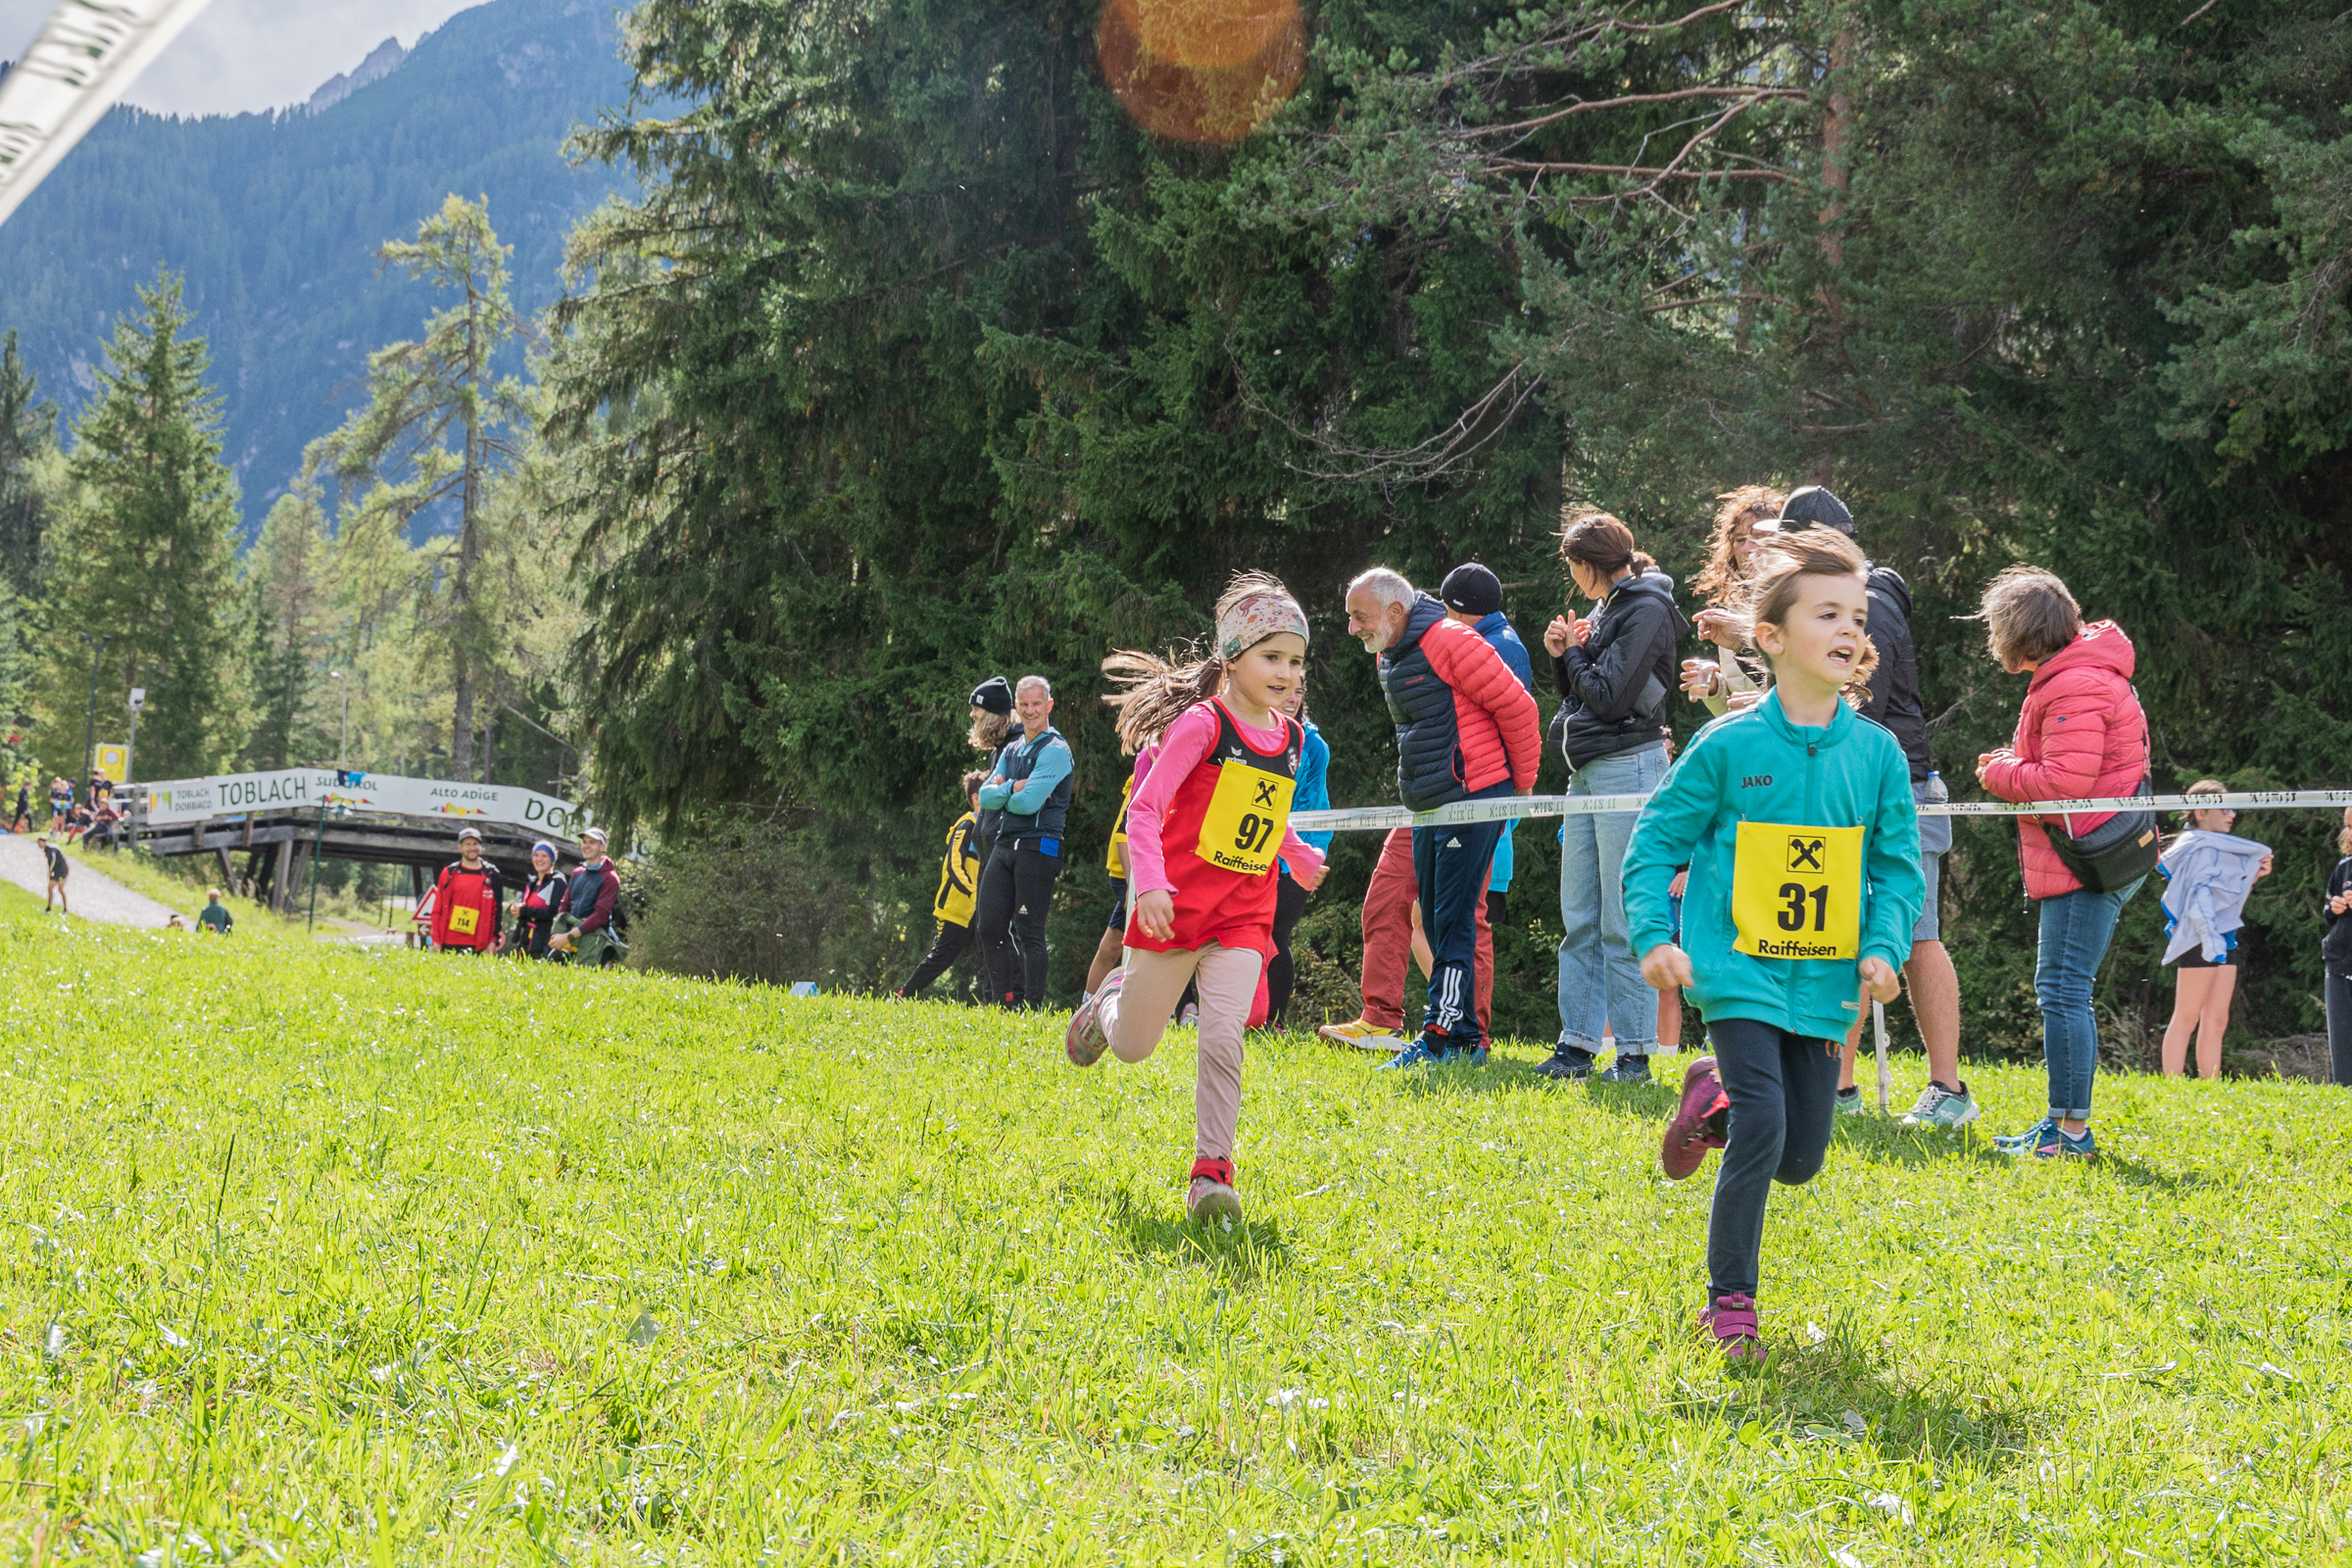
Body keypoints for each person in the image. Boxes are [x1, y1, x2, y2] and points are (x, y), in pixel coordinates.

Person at [1629, 527, 1923, 1362]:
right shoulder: (1728, 746)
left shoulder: (1878, 756)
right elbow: (1656, 843)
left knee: (1798, 1158)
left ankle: (1711, 1096)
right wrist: (1654, 936)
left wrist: (1885, 947)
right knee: (1765, 1122)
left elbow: (1898, 869)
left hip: (1826, 985)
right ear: (1772, 636)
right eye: (1827, 613)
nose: (1849, 629)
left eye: (1857, 616)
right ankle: (1730, 1305)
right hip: (1737, 973)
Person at [1063, 573, 1326, 1223]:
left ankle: (1212, 1175)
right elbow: (1145, 809)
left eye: (1296, 661)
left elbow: (1260, 813)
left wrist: (1295, 853)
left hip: (1243, 912)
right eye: (1272, 657)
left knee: (1224, 1036)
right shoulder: (1202, 725)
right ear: (1231, 658)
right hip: (1175, 908)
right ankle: (1106, 1005)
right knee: (1135, 1046)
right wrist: (1150, 884)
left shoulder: (1292, 738)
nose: (1287, 674)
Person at [1758, 488, 1974, 1127]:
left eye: (1792, 541)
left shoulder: (1868, 600)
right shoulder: (1840, 598)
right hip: (1856, 787)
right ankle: (1839, 1091)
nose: (1783, 554)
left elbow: (1857, 701)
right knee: (1838, 934)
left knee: (1918, 938)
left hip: (1899, 787)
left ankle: (1949, 1091)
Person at [1974, 567, 2152, 1160]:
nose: (1993, 640)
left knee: (2063, 990)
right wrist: (2012, 761)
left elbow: (2063, 784)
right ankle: (2062, 1125)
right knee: (2063, 988)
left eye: (1996, 628)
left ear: (2019, 633)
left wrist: (1999, 772)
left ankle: (2071, 1134)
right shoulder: (2081, 673)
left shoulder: (2073, 684)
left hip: (2086, 860)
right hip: (2094, 853)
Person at [1318, 564, 1528, 1054]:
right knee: (1397, 902)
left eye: (1359, 616)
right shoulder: (1396, 650)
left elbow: (1514, 712)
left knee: (1461, 919)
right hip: (1426, 799)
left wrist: (1516, 793)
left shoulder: (1482, 644)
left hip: (1473, 797)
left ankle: (1462, 1036)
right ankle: (1383, 1020)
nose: (1351, 628)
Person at [1539, 513, 1684, 1083]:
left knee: (1622, 920)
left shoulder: (1646, 608)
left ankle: (1634, 1053)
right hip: (1587, 771)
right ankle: (1576, 1045)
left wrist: (1575, 655)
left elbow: (1609, 697)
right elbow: (1581, 695)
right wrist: (1563, 655)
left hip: (1630, 769)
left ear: (1586, 565)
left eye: (1572, 567)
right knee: (1580, 916)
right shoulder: (1608, 607)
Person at [2156, 781, 2273, 1080]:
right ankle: (2171, 1089)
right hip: (2196, 936)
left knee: (2217, 1021)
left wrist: (2253, 878)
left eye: (2232, 809)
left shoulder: (2227, 850)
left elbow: (2229, 905)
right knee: (2187, 1017)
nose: (2232, 815)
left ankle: (2211, 1089)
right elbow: (2191, 900)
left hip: (2225, 935)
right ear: (2201, 812)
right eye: (2224, 809)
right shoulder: (2193, 847)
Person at [974, 675, 1075, 1008]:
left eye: (1037, 704)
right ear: (1017, 707)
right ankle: (1004, 1002)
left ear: (1049, 706)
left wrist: (1005, 792)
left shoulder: (1056, 750)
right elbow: (984, 796)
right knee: (989, 926)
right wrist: (1012, 788)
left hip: (1038, 848)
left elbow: (1028, 803)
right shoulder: (1013, 748)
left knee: (1029, 929)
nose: (1031, 711)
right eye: (1025, 704)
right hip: (1005, 847)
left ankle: (1031, 1007)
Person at [1682, 485, 1784, 715]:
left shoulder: (1797, 605)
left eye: (1758, 537)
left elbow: (1810, 692)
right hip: (1747, 736)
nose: (1747, 548)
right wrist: (1713, 688)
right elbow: (1729, 710)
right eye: (1739, 539)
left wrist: (1764, 704)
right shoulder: (1732, 610)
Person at [1265, 679, 1331, 1026]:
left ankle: (1274, 1022)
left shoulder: (1314, 746)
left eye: (1299, 691)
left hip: (1300, 851)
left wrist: (1292, 859)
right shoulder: (1253, 733)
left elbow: (1305, 809)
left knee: (1276, 933)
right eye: (1284, 690)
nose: (1292, 698)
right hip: (1259, 846)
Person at [899, 773, 989, 998]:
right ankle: (903, 995)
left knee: (989, 956)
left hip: (978, 908)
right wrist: (973, 893)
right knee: (942, 958)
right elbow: (954, 866)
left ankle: (995, 1004)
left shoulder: (987, 829)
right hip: (956, 909)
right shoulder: (966, 825)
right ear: (976, 798)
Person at [548, 827, 626, 965]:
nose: (586, 846)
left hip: (596, 938)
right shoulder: (577, 872)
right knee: (551, 965)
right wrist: (558, 934)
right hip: (572, 934)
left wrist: (568, 937)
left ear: (602, 847)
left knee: (585, 977)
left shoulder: (610, 877)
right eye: (584, 842)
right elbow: (565, 905)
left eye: (592, 842)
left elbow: (600, 916)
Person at [425, 827, 505, 955]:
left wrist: (493, 941)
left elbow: (497, 911)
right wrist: (436, 940)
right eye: (468, 844)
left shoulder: (492, 874)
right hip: (449, 941)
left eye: (475, 844)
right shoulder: (449, 873)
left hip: (479, 944)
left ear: (480, 846)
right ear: (460, 847)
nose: (472, 848)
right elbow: (437, 909)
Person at [2323, 808, 2352, 1087]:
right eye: (2348, 827)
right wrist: (2334, 907)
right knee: (2342, 1046)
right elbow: (2328, 911)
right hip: (2340, 963)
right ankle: (2344, 1098)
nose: (2350, 833)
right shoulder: (2344, 866)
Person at [508, 842, 569, 958]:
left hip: (544, 942)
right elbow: (529, 911)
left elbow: (555, 913)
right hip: (527, 940)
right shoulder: (532, 883)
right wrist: (518, 910)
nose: (539, 859)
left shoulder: (558, 883)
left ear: (552, 859)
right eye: (536, 855)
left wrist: (525, 911)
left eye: (544, 855)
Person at [40, 833, 68, 913]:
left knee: (55, 888)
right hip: (57, 871)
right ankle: (62, 909)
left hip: (60, 872)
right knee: (59, 889)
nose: (39, 845)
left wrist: (50, 870)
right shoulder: (47, 850)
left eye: (40, 842)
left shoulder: (51, 850)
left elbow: (53, 861)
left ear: (44, 842)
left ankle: (50, 908)